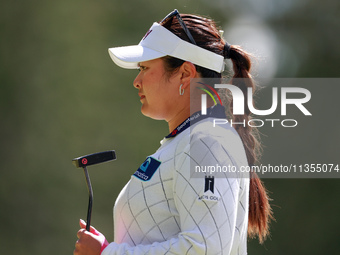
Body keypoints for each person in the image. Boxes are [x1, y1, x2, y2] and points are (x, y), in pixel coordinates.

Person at [74, 9, 273, 255]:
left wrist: (108, 253)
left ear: (185, 73)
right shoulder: (190, 139)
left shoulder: (208, 140)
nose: (137, 81)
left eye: (145, 68)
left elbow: (206, 249)